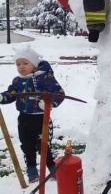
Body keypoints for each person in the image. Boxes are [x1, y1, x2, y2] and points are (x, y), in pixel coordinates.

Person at [0, 45, 64, 183]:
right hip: (23, 119)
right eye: (18, 64)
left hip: (42, 119)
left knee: (43, 145)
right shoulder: (17, 81)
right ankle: (32, 171)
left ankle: (52, 167)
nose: (21, 67)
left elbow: (59, 94)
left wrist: (48, 103)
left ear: (34, 64)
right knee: (27, 145)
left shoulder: (45, 78)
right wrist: (2, 97)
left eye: (25, 63)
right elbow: (11, 94)